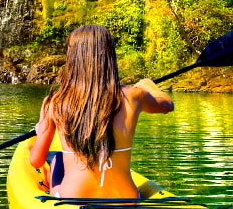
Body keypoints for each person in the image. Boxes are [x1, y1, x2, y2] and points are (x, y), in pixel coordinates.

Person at [29, 25, 174, 199]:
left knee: (57, 160)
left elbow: (36, 161)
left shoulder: (54, 102)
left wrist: (42, 126)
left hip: (72, 199)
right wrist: (148, 86)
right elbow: (167, 105)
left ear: (73, 58)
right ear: (109, 56)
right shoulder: (135, 96)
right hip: (127, 199)